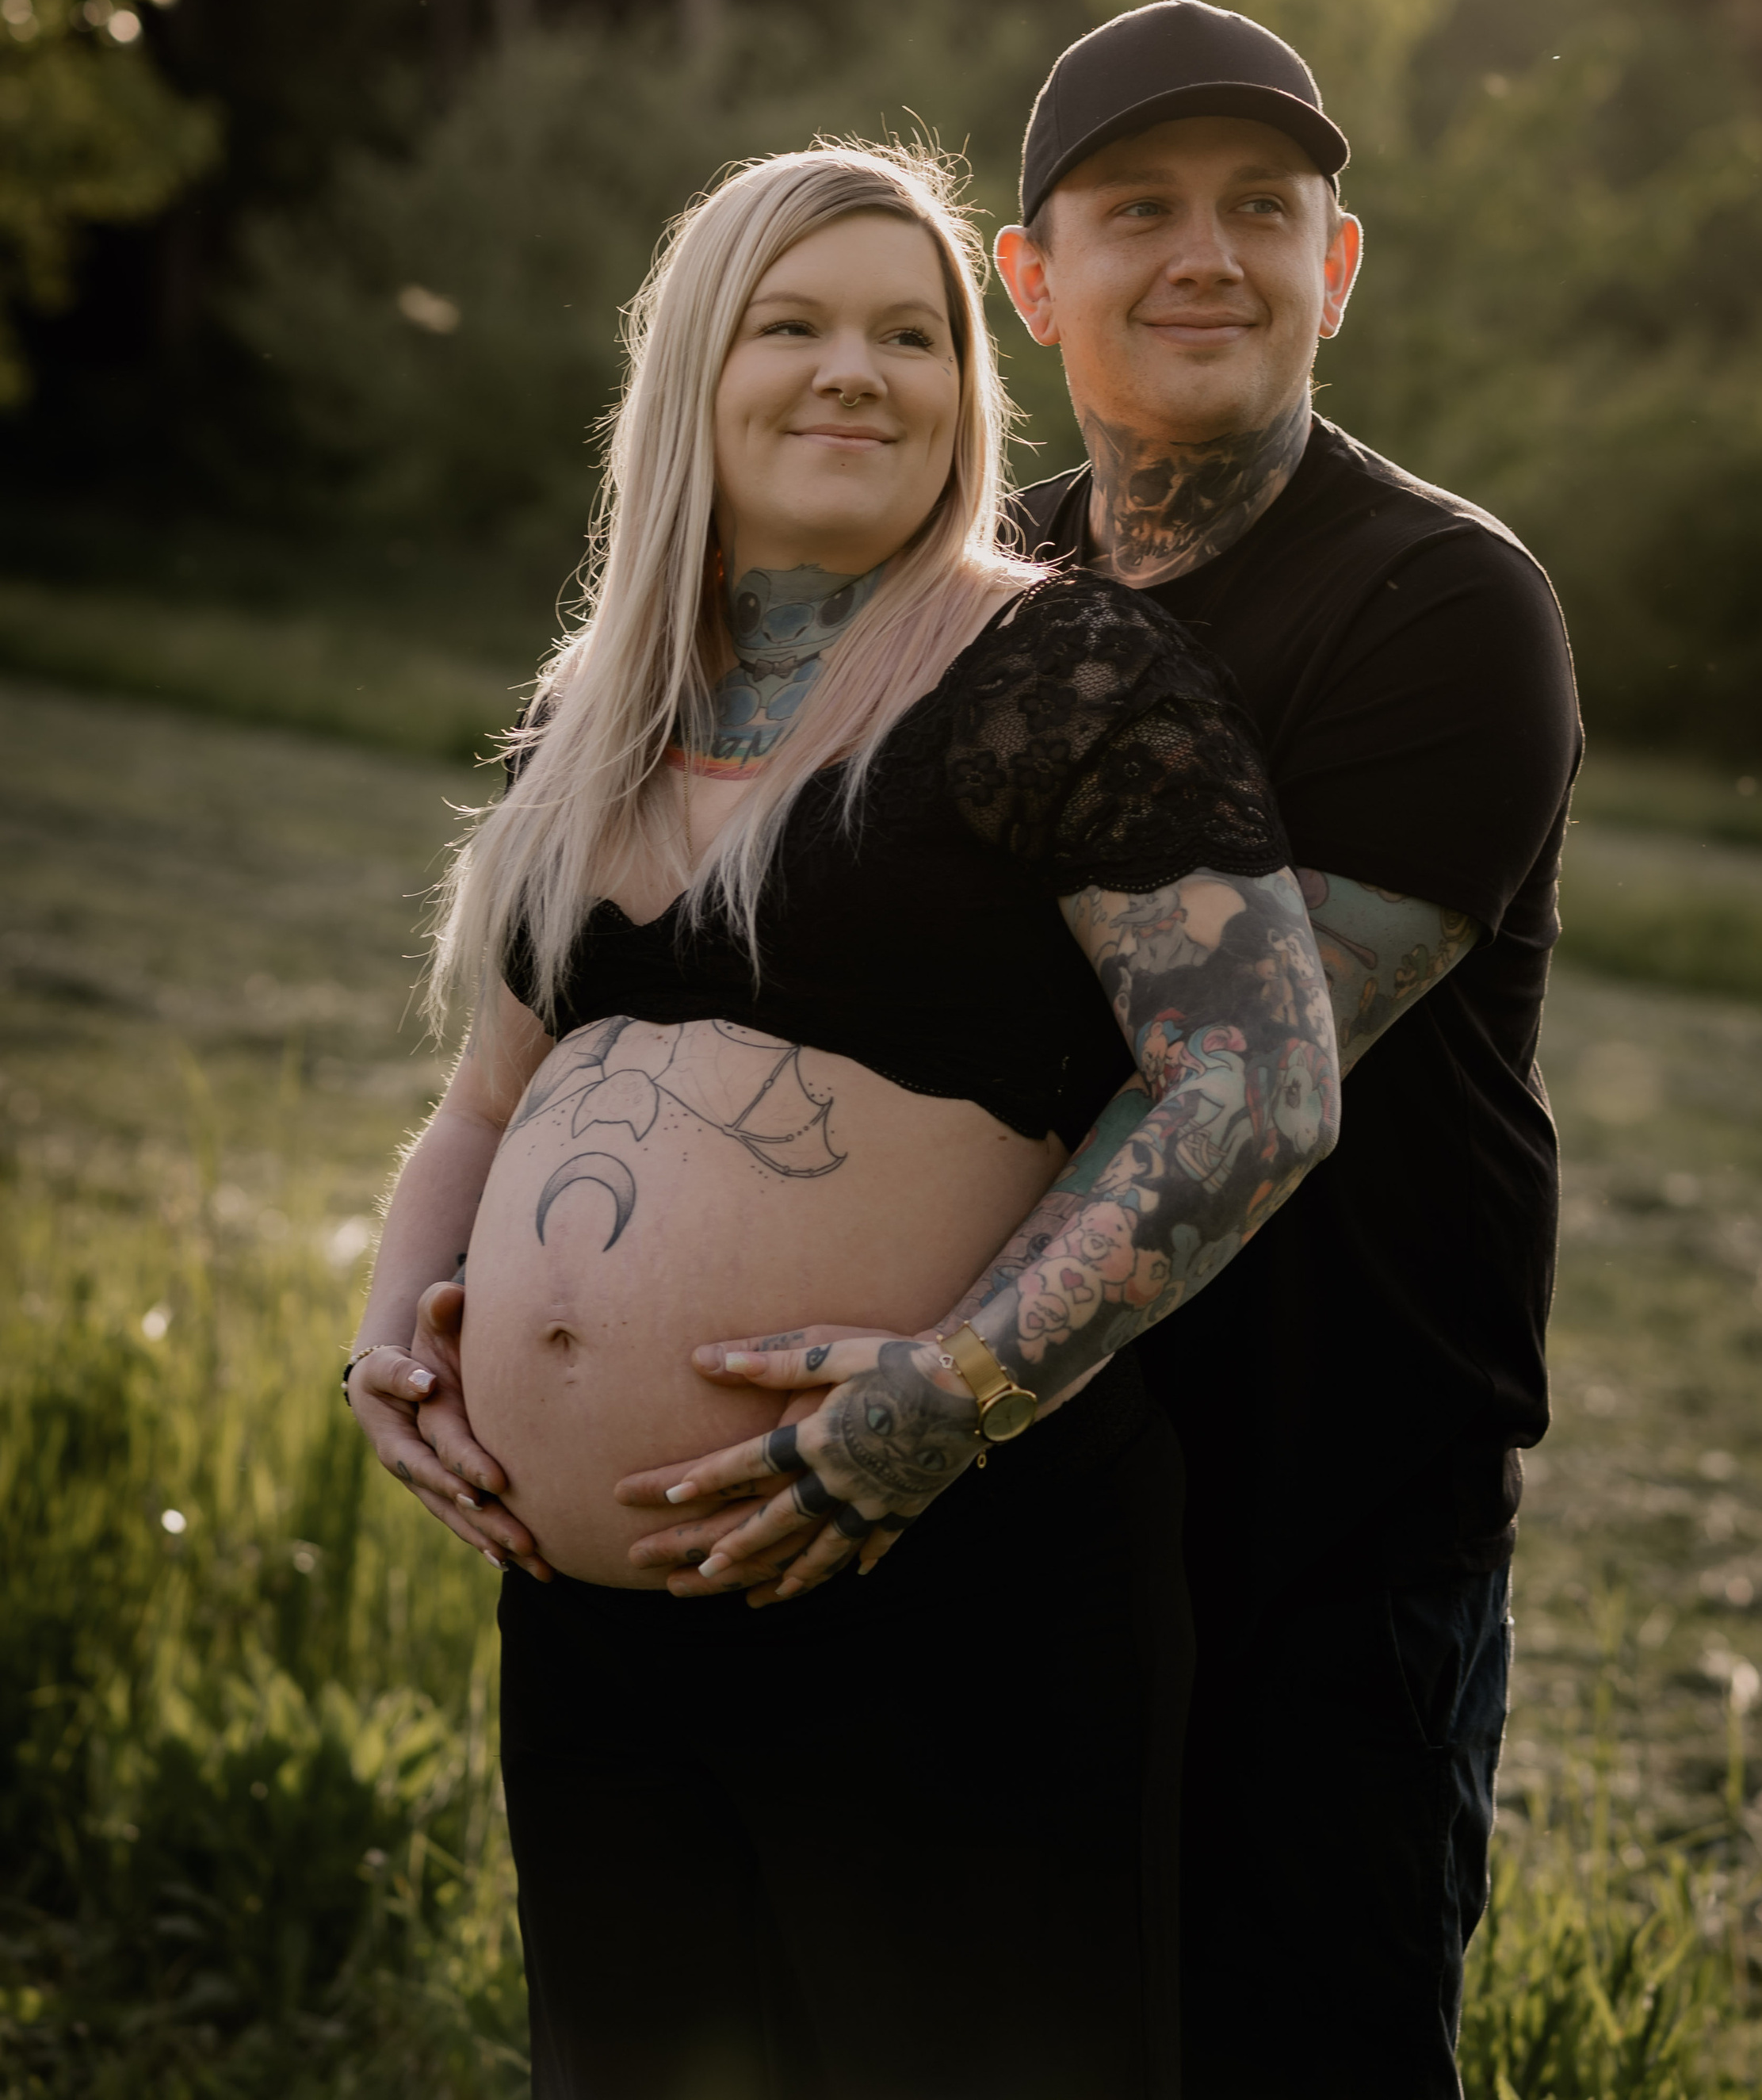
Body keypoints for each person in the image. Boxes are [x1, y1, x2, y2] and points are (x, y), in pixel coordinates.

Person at [341, 140, 1343, 2100]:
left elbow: (1258, 1083)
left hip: (936, 1588)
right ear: (692, 373)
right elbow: (487, 1100)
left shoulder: (1054, 670)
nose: (854, 373)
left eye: (911, 334)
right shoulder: (604, 707)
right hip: (595, 1628)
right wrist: (397, 1319)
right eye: (790, 324)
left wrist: (940, 1404)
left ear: (970, 394)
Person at [671, 6, 1580, 2100]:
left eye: (1265, 211)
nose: (1208, 257)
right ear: (1032, 280)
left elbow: (1222, 1085)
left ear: (1336, 268)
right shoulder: (966, 594)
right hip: (1017, 1522)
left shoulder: (1443, 609)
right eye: (1140, 209)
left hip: (1319, 1526)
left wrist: (941, 1384)